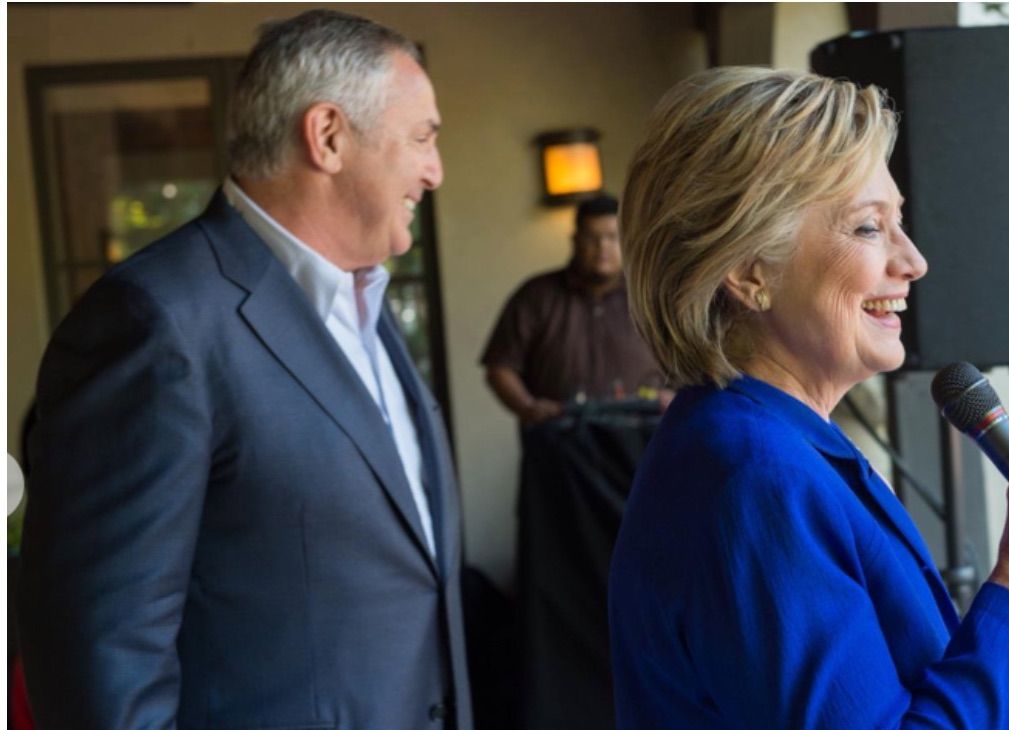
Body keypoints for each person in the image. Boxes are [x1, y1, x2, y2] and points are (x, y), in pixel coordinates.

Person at [608, 67, 1009, 728]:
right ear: (749, 268)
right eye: (869, 229)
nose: (913, 260)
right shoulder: (755, 476)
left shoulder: (771, 443)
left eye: (897, 222)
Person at [19, 11, 471, 729]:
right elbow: (99, 653)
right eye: (423, 137)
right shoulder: (155, 322)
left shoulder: (365, 304)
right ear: (327, 136)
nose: (435, 169)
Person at [481, 194, 665, 425]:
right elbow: (500, 367)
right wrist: (528, 406)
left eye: (612, 237)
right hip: (559, 440)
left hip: (642, 437)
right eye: (592, 237)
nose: (602, 247)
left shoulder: (648, 296)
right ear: (575, 239)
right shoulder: (536, 295)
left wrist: (676, 399)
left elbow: (684, 360)